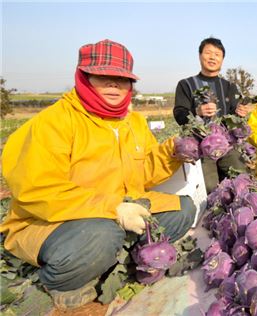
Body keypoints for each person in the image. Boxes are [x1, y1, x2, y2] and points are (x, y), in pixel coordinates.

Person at [0, 39, 196, 309]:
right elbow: (39, 191)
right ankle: (60, 280)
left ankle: (129, 254)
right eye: (104, 76)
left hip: (124, 207)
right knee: (103, 235)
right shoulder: (53, 123)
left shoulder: (134, 122)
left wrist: (170, 153)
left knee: (183, 208)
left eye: (122, 78)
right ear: (85, 77)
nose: (114, 84)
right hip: (61, 222)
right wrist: (112, 208)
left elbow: (146, 172)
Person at [173, 37, 250, 193]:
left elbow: (235, 117)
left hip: (227, 145)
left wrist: (241, 113)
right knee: (209, 188)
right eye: (208, 53)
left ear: (222, 59)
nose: (212, 57)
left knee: (241, 181)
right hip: (201, 147)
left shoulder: (229, 86)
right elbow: (179, 114)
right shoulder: (185, 84)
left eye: (217, 54)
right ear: (200, 55)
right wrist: (197, 112)